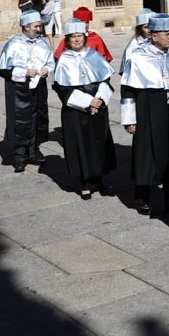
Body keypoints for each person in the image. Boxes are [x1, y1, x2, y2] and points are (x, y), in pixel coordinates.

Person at [119, 13, 169, 216]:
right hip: (147, 110)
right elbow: (128, 91)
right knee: (146, 154)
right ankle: (142, 196)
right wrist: (129, 119)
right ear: (153, 35)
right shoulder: (138, 57)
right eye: (166, 33)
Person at [52, 19, 117, 200]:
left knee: (98, 143)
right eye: (73, 37)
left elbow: (105, 80)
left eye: (80, 36)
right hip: (76, 110)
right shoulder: (63, 59)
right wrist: (88, 102)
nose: (77, 40)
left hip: (98, 107)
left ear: (84, 37)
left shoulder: (93, 55)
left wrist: (99, 100)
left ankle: (99, 179)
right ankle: (85, 183)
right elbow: (62, 88)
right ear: (67, 40)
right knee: (80, 145)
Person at [0, 9, 54, 173]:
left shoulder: (42, 43)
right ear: (26, 27)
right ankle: (20, 156)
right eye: (36, 26)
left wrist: (46, 70)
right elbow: (2, 70)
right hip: (19, 89)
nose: (39, 29)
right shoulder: (13, 44)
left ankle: (34, 151)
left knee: (38, 117)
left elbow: (50, 62)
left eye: (39, 26)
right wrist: (24, 73)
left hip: (39, 87)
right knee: (21, 121)